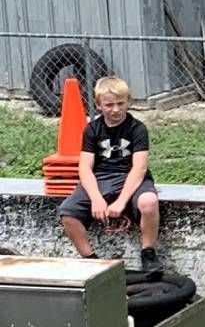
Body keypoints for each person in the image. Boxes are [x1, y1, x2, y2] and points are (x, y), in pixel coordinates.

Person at [59, 75, 162, 278]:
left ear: (128, 102)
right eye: (109, 105)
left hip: (129, 176)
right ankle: (91, 260)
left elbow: (139, 168)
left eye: (120, 103)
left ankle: (148, 252)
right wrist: (96, 199)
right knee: (68, 211)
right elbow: (85, 168)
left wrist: (121, 201)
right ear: (98, 105)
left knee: (149, 202)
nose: (115, 109)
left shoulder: (137, 129)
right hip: (101, 178)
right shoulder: (91, 130)